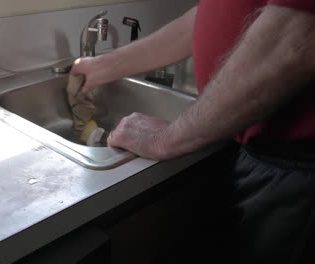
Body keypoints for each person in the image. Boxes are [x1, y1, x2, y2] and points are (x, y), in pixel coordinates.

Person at [71, 1, 315, 263]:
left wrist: (166, 139)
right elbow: (213, 13)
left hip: (299, 170)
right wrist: (105, 65)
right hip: (267, 157)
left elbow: (299, 33)